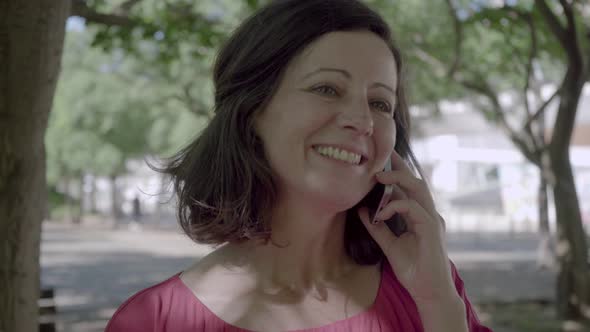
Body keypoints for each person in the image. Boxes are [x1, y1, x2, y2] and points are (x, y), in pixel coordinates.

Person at [106, 0, 493, 331]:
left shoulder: (432, 291)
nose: (362, 120)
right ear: (252, 110)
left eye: (380, 103)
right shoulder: (153, 321)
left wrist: (438, 302)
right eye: (327, 89)